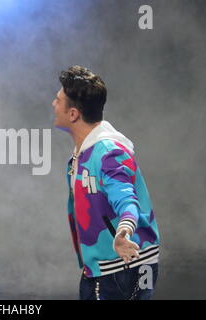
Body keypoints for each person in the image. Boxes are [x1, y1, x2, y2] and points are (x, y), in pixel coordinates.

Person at [51, 65, 160, 300]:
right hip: (107, 265)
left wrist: (124, 231)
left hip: (121, 265)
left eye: (58, 100)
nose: (53, 104)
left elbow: (127, 199)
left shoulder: (108, 152)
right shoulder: (83, 153)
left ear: (73, 114)